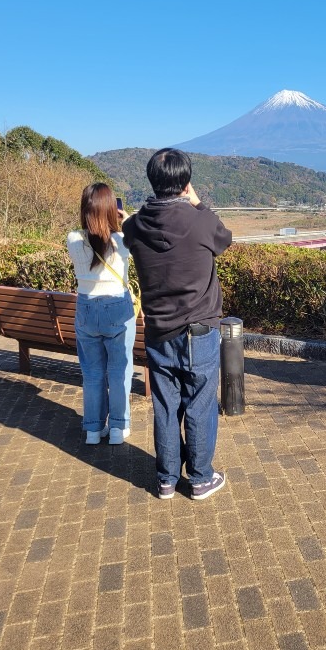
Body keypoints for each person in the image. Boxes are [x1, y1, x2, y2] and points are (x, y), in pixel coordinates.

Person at [123, 148, 232, 500]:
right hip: (199, 328)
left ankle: (167, 479)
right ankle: (200, 479)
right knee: (199, 403)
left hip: (158, 332)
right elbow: (224, 239)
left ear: (153, 182)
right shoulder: (200, 222)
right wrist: (197, 203)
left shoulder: (135, 227)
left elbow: (126, 229)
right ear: (185, 183)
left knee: (166, 406)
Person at [67, 183, 136, 444]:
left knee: (93, 373)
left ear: (84, 209)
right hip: (117, 306)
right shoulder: (121, 241)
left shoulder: (73, 238)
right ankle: (118, 428)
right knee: (119, 370)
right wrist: (126, 218)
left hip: (86, 307)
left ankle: (94, 431)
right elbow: (133, 237)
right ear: (110, 210)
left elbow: (90, 237)